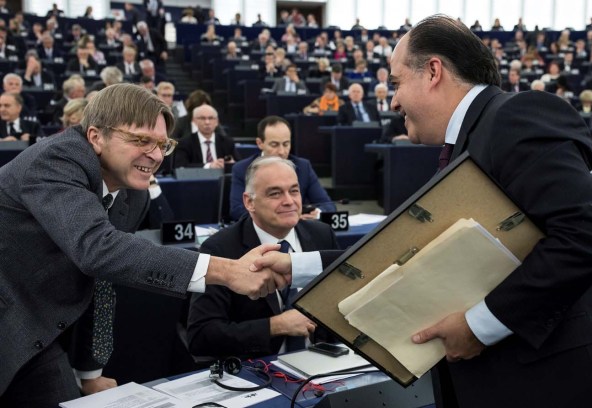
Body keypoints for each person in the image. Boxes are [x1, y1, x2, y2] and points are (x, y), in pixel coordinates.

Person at [252, 15, 592, 408]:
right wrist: (297, 266)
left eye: (397, 81)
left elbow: (587, 240)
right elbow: (413, 251)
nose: (393, 100)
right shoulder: (466, 144)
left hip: (554, 385)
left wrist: (478, 326)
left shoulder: (514, 118)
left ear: (433, 71)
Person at [0, 83, 288, 406]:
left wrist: (89, 371)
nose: (154, 156)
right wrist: (228, 271)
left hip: (39, 328)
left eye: (163, 145)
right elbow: (99, 251)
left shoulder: (133, 190)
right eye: (141, 140)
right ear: (96, 137)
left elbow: (103, 280)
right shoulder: (56, 160)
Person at [188, 156, 340, 358]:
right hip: (258, 372)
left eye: (294, 191)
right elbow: (201, 336)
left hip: (323, 364)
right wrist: (275, 326)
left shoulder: (322, 235)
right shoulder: (220, 248)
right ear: (249, 202)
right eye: (275, 193)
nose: (289, 201)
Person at [229, 116, 335, 221]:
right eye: (274, 145)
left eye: (286, 144)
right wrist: (278, 216)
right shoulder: (242, 169)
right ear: (260, 143)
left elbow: (328, 205)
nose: (281, 151)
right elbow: (237, 210)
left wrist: (317, 214)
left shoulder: (303, 167)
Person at [173, 104, 239, 169]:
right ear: (194, 121)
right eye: (202, 118)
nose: (207, 122)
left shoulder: (227, 142)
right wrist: (209, 166)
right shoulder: (184, 143)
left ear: (217, 121)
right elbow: (181, 167)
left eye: (211, 118)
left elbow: (239, 165)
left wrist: (231, 165)